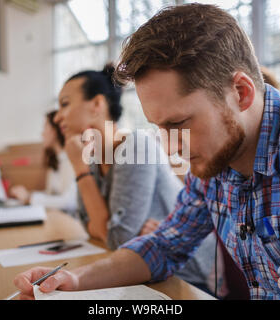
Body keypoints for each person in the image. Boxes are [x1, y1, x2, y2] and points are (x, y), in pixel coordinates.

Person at [14, 4, 280, 300]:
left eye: (177, 123)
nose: (168, 146)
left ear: (241, 92)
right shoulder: (215, 160)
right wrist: (74, 280)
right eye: (159, 127)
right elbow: (163, 245)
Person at [53, 63, 216, 291]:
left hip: (187, 276)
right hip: (140, 269)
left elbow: (117, 238)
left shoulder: (136, 146)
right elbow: (88, 223)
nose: (58, 117)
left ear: (97, 104)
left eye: (65, 105)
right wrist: (112, 230)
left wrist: (80, 170)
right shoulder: (91, 159)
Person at [9, 111, 77, 212]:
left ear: (55, 130)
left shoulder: (70, 160)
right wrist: (28, 194)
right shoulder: (55, 160)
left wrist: (29, 198)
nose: (42, 133)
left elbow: (69, 202)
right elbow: (50, 194)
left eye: (45, 127)